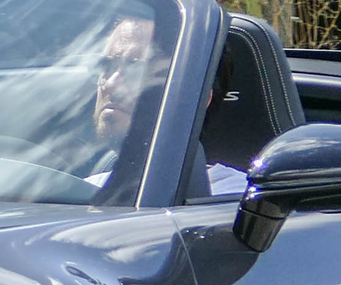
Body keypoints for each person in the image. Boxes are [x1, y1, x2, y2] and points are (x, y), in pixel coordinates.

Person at [80, 14, 247, 199]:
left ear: (197, 100)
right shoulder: (82, 191)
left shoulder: (236, 204)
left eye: (135, 68)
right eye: (107, 65)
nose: (110, 85)